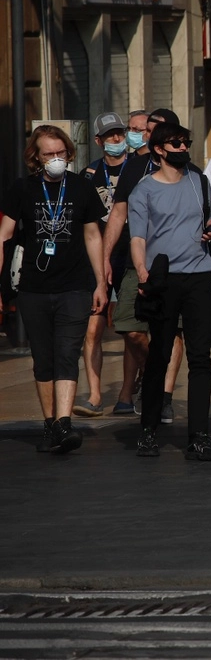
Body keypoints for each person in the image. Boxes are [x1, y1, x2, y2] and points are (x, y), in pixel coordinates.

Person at [0, 125, 107, 454]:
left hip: (75, 285)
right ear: (36, 157)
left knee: (67, 353)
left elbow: (92, 235)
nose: (56, 159)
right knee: (43, 358)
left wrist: (101, 281)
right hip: (33, 285)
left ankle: (64, 423)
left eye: (61, 153)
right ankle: (50, 425)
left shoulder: (81, 187)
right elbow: (4, 235)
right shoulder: (23, 188)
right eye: (49, 154)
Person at [128, 122, 211, 459]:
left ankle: (198, 436)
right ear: (158, 150)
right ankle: (148, 430)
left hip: (199, 276)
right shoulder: (144, 191)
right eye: (175, 143)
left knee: (201, 358)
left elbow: (204, 221)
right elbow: (138, 238)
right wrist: (142, 273)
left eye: (186, 141)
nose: (183, 147)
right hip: (163, 279)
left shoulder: (199, 181)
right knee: (160, 354)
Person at [102, 108, 184, 422]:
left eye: (155, 130)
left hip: (175, 263)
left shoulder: (189, 171)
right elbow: (118, 214)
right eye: (146, 131)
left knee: (172, 330)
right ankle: (153, 370)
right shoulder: (134, 166)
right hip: (135, 261)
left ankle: (163, 395)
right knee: (127, 326)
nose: (147, 136)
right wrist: (106, 258)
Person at [74, 111, 130, 416]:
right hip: (98, 258)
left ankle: (127, 392)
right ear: (98, 141)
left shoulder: (139, 169)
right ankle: (95, 395)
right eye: (110, 135)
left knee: (133, 330)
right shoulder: (88, 175)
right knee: (93, 329)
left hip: (131, 254)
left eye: (119, 133)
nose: (117, 139)